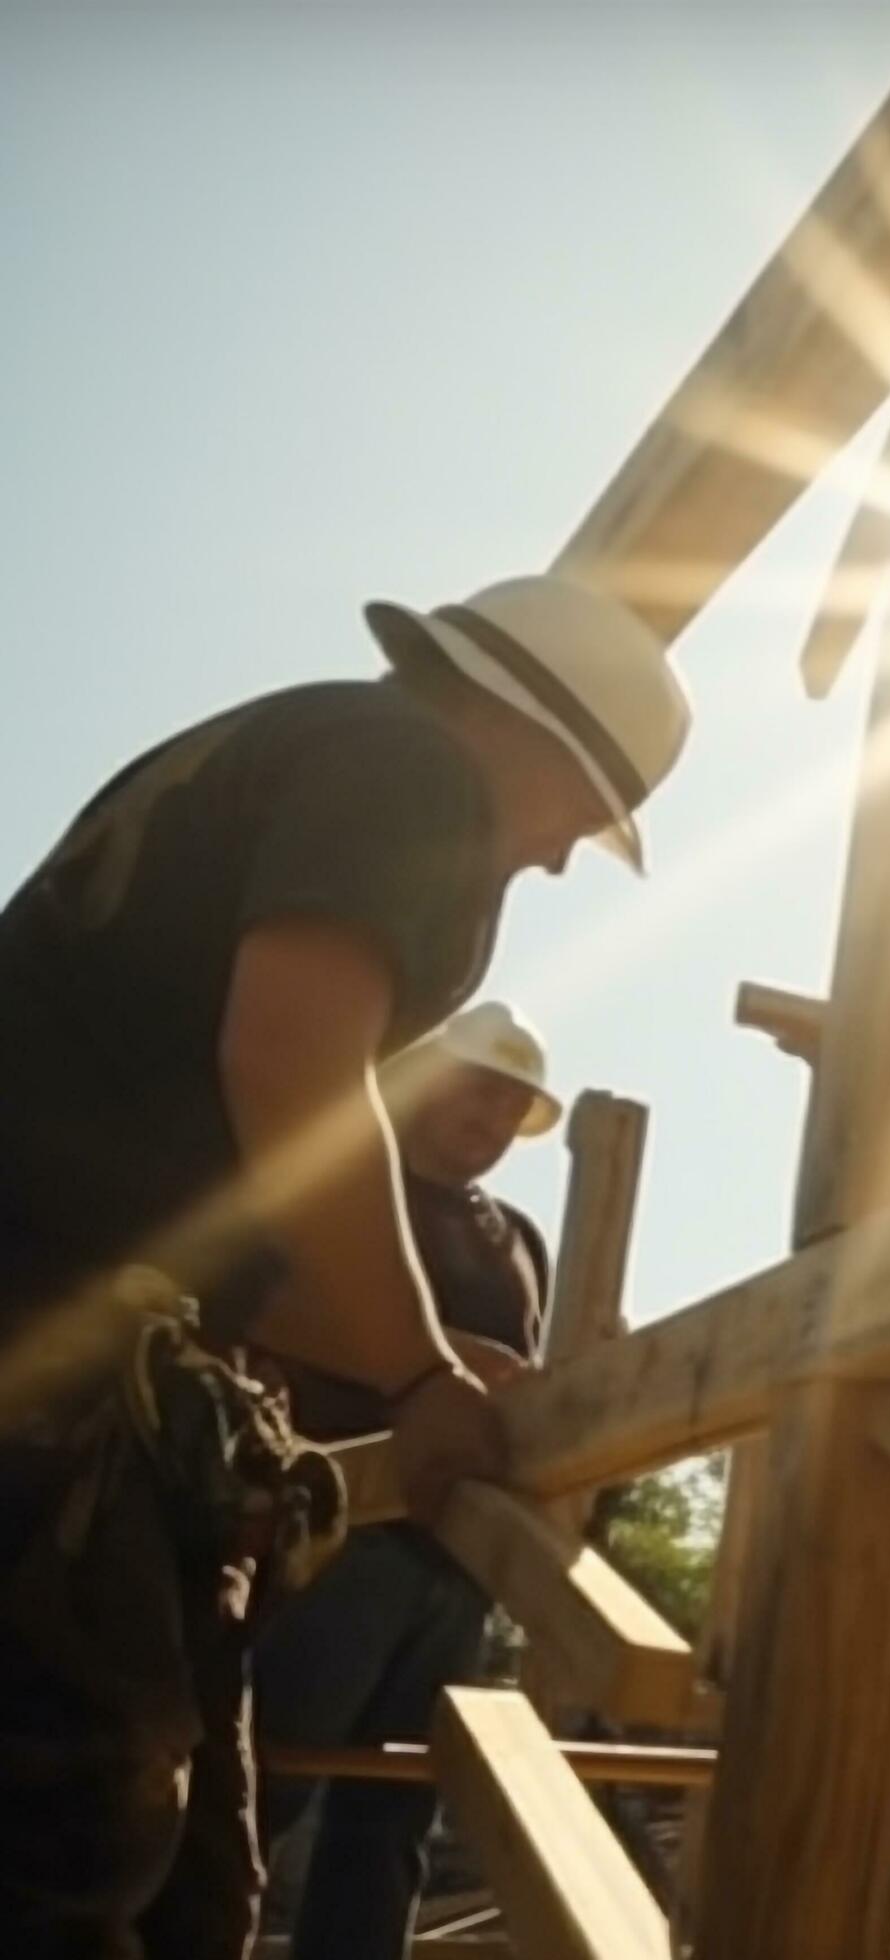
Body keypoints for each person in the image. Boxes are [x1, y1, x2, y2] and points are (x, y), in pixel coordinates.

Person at [0, 573, 687, 1956]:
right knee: (60, 1861)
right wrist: (421, 1368)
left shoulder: (289, 755)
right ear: (539, 744)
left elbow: (234, 1186)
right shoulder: (405, 771)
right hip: (43, 1373)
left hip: (75, 1342)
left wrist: (405, 1350)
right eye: (573, 823)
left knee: (183, 1883)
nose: (551, 862)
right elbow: (290, 1068)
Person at [251, 1004, 561, 1959]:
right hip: (338, 1534)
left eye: (513, 1109)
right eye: (480, 1093)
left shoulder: (517, 1238)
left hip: (456, 1559)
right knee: (261, 1786)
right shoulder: (352, 1196)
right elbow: (264, 1324)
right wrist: (425, 1356)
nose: (494, 1122)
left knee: (391, 1823)